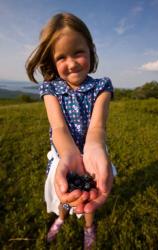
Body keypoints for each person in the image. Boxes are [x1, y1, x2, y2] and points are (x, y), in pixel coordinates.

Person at [26, 12, 117, 249]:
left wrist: (94, 147)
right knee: (64, 195)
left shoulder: (102, 86)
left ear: (91, 50)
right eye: (62, 57)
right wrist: (69, 154)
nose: (72, 62)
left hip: (91, 155)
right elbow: (58, 127)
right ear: (52, 61)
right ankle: (61, 218)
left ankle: (88, 226)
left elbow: (97, 127)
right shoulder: (50, 89)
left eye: (78, 52)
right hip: (64, 154)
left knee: (89, 196)